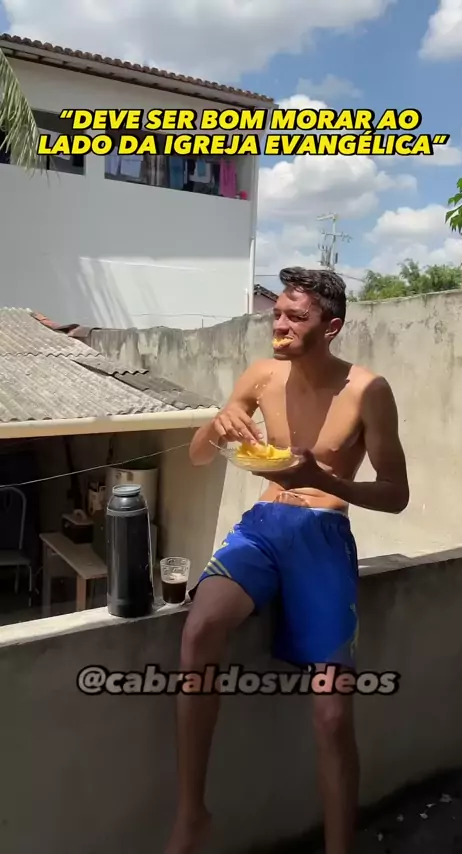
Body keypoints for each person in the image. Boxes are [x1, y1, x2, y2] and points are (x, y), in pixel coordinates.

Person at [164, 266, 409, 854]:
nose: (279, 325)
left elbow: (396, 494)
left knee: (331, 715)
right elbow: (198, 456)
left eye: (296, 317)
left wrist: (324, 479)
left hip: (324, 534)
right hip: (263, 527)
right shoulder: (262, 375)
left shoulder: (368, 391)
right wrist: (216, 426)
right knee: (200, 628)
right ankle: (192, 815)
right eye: (276, 313)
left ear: (331, 327)